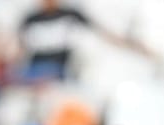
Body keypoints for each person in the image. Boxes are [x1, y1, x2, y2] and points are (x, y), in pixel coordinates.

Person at [17, 0, 150, 83]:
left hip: (61, 74)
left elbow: (103, 33)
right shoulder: (30, 19)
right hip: (34, 74)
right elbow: (18, 48)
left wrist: (134, 46)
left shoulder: (70, 15)